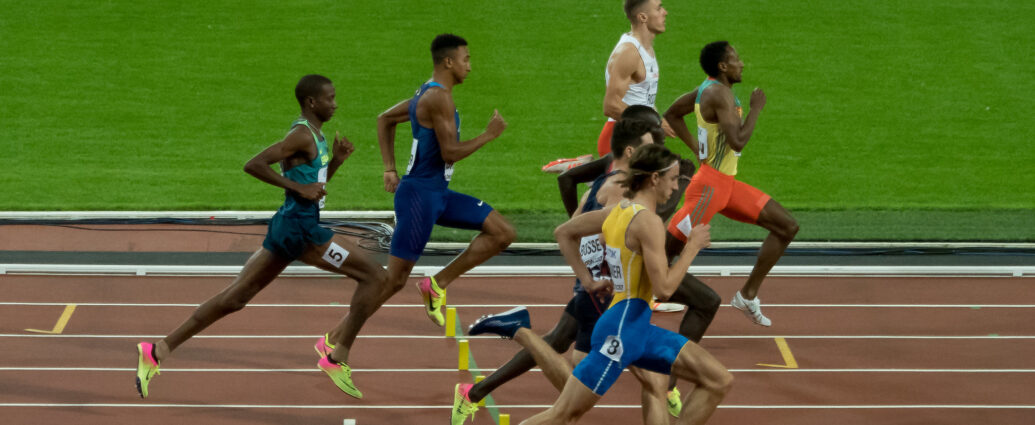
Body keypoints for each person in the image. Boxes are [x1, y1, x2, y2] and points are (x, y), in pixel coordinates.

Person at [134, 75, 387, 400]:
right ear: (312, 102)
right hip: (302, 231)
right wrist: (298, 188)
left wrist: (336, 161)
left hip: (289, 226)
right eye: (330, 98)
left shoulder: (317, 136)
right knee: (375, 277)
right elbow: (253, 165)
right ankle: (337, 356)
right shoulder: (300, 134)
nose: (335, 103)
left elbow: (314, 188)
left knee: (235, 298)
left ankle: (157, 351)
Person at [471, 144, 732, 425]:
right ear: (654, 178)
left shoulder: (618, 211)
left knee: (717, 379)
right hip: (621, 331)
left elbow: (565, 232)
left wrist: (589, 281)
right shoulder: (648, 222)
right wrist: (692, 247)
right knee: (564, 415)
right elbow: (665, 289)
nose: (676, 187)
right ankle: (520, 332)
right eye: (673, 179)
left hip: (635, 326)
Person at [453, 119, 669, 425]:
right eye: (649, 148)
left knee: (586, 377)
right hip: (607, 296)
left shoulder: (601, 183)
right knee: (596, 393)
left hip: (593, 291)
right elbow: (615, 239)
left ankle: (480, 385)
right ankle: (519, 333)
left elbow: (576, 228)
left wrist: (586, 276)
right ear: (632, 151)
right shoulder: (622, 190)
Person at [375, 34, 515, 329]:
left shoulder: (427, 93)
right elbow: (450, 153)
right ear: (449, 62)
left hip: (437, 194)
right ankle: (336, 339)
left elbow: (384, 119)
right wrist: (488, 135)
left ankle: (436, 284)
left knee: (502, 232)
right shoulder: (438, 97)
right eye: (466, 59)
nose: (470, 66)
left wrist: (390, 169)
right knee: (393, 281)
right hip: (419, 197)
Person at [664, 41, 799, 327]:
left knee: (787, 226)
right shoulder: (718, 94)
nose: (742, 64)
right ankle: (624, 297)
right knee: (665, 253)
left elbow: (673, 113)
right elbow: (738, 141)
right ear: (723, 66)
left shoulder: (708, 89)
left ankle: (747, 295)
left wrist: (696, 150)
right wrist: (756, 109)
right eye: (736, 59)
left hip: (726, 186)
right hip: (709, 190)